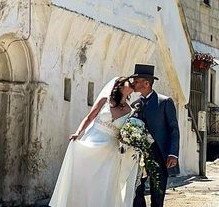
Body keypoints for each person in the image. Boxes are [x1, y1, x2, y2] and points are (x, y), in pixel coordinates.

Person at [49, 77, 138, 207]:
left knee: (104, 184)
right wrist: (78, 133)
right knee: (86, 180)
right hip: (92, 143)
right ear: (119, 85)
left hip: (110, 151)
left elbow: (125, 132)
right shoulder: (105, 100)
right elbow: (90, 117)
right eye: (128, 82)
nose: (132, 84)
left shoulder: (130, 111)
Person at [131, 64, 180, 207]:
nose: (134, 84)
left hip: (160, 154)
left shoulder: (164, 102)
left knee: (157, 193)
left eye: (137, 81)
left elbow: (173, 130)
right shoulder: (134, 104)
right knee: (136, 190)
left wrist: (173, 153)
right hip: (138, 156)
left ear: (146, 83)